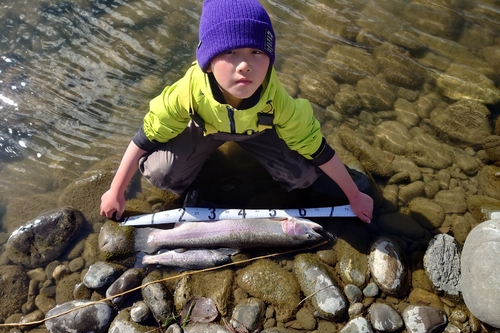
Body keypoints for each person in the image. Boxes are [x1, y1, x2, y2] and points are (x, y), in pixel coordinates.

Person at [100, 0, 373, 223]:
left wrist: (354, 195)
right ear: (207, 63)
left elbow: (317, 148)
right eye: (230, 51)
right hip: (205, 128)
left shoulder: (278, 102)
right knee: (162, 175)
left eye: (256, 51)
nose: (244, 65)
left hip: (258, 131)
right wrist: (116, 190)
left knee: (303, 176)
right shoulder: (186, 93)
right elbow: (145, 137)